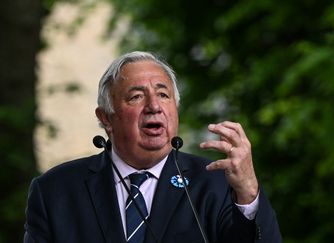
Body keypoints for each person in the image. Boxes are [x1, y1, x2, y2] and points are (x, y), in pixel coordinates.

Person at [24, 51, 282, 243]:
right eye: (136, 96)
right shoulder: (55, 191)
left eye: (163, 94)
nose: (154, 106)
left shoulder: (215, 183)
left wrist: (248, 192)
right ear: (106, 118)